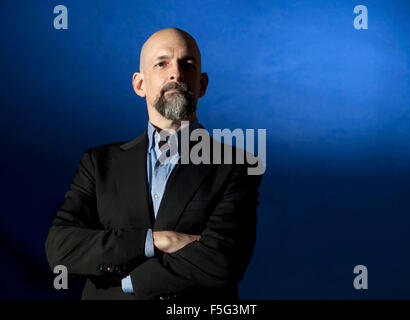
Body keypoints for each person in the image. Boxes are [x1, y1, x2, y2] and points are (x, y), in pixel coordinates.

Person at [45, 27, 263, 300]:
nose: (176, 73)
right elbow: (62, 251)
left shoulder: (236, 165)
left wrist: (127, 281)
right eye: (162, 63)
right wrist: (156, 240)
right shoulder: (98, 163)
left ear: (202, 84)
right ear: (140, 84)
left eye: (187, 64)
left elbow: (223, 261)